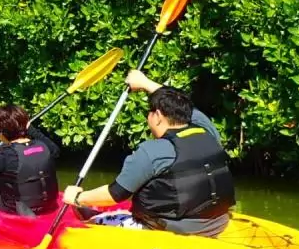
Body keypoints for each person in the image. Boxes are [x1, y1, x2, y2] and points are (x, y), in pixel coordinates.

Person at [62, 69, 236, 237]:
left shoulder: (151, 152)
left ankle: (91, 217)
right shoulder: (207, 131)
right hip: (218, 222)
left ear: (158, 115)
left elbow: (115, 194)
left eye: (150, 112)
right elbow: (187, 109)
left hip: (172, 229)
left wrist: (78, 197)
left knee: (92, 222)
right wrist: (145, 83)